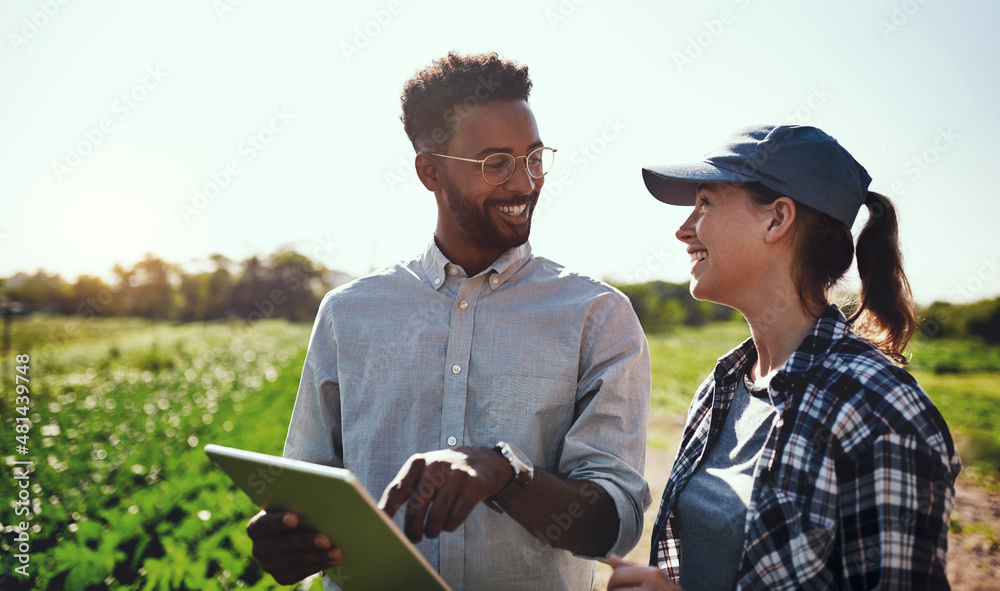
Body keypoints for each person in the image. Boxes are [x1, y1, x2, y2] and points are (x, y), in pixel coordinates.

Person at [246, 52, 652, 591]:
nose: (524, 183)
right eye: (496, 163)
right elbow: (312, 489)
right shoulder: (348, 313)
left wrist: (504, 474)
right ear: (430, 171)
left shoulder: (597, 316)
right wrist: (290, 539)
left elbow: (612, 524)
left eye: (534, 157)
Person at [608, 125, 961, 590]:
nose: (683, 229)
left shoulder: (881, 410)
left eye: (706, 202)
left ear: (776, 219)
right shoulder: (722, 388)